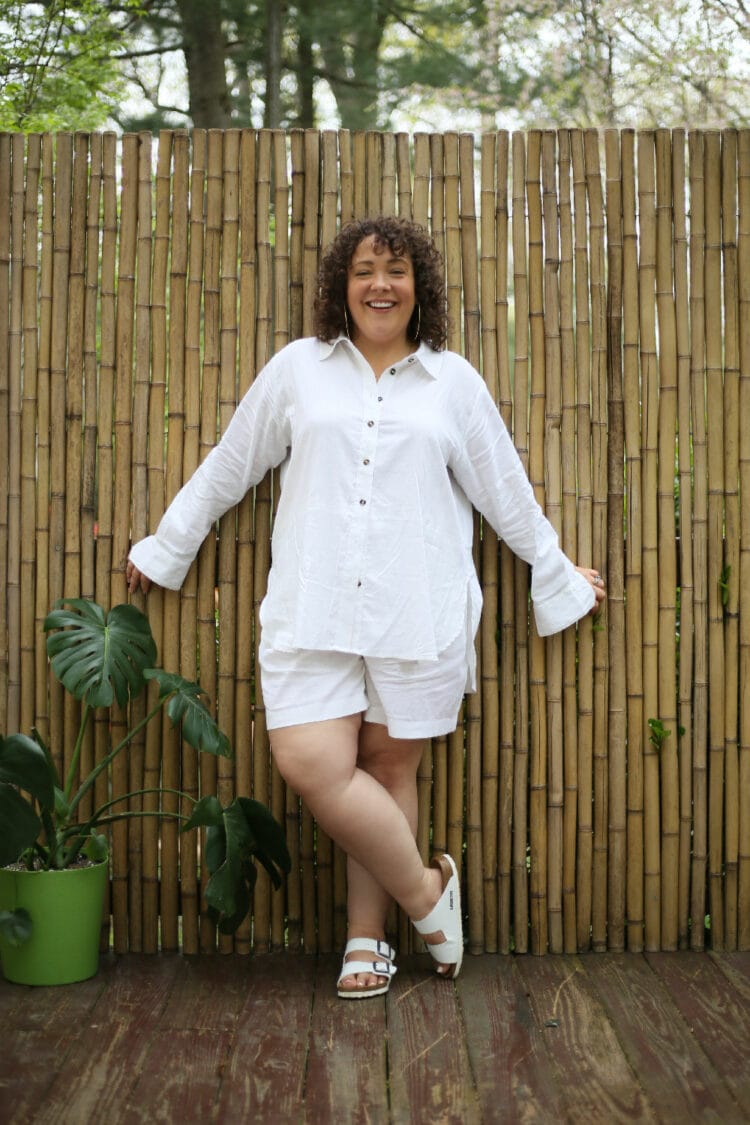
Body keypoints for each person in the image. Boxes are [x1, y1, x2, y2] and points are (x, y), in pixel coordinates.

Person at [127, 215, 606, 999]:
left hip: (415, 604)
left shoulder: (453, 382)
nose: (379, 284)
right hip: (312, 602)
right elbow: (229, 465)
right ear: (339, 287)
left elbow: (505, 491)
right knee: (310, 761)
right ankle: (427, 894)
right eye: (363, 271)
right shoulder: (299, 371)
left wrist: (555, 570)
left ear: (421, 289)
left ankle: (366, 939)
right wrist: (166, 545)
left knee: (387, 768)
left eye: (396, 271)